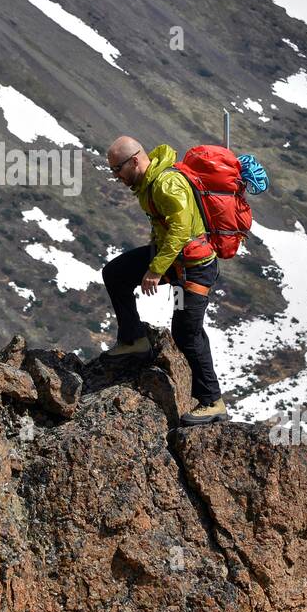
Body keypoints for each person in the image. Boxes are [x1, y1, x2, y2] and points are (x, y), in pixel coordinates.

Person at [101, 136, 228, 425]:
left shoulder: (165, 183)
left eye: (117, 169)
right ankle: (134, 340)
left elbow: (181, 229)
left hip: (194, 267)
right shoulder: (149, 183)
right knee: (116, 273)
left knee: (187, 332)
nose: (117, 177)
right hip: (175, 259)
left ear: (135, 160)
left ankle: (212, 402)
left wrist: (156, 269)